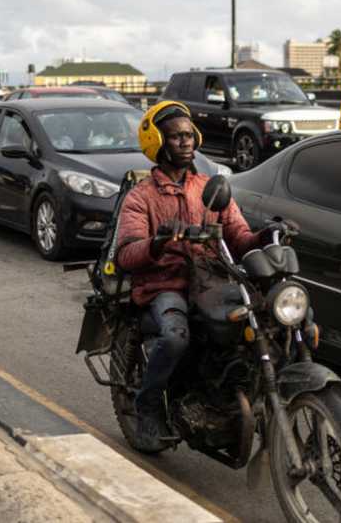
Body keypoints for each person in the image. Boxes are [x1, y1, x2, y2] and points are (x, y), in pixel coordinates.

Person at [114, 101, 291, 451]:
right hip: (166, 285)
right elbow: (126, 254)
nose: (186, 142)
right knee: (176, 337)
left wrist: (268, 235)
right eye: (176, 137)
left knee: (263, 322)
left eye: (188, 135)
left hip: (212, 281)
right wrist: (160, 240)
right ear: (158, 143)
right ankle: (148, 406)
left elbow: (239, 236)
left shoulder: (209, 187)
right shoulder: (141, 198)